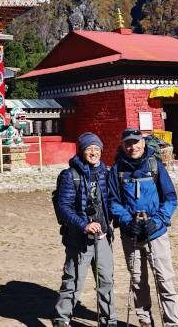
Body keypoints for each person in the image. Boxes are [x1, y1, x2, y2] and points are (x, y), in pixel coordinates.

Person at [109, 128, 178, 327]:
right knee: (138, 281)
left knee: (164, 280)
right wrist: (126, 221)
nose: (132, 147)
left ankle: (172, 324)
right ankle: (145, 321)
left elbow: (170, 199)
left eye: (136, 142)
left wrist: (157, 221)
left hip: (156, 232)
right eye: (128, 143)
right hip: (130, 234)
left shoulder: (155, 166)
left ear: (143, 143)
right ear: (123, 145)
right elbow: (113, 201)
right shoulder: (116, 170)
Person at [52, 132, 117, 327]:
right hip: (79, 238)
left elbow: (111, 201)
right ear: (81, 151)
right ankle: (62, 319)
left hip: (102, 237)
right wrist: (84, 225)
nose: (94, 152)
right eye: (89, 149)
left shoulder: (106, 173)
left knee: (106, 280)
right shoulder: (70, 175)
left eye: (97, 149)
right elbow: (64, 207)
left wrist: (111, 222)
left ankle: (109, 320)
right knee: (73, 280)